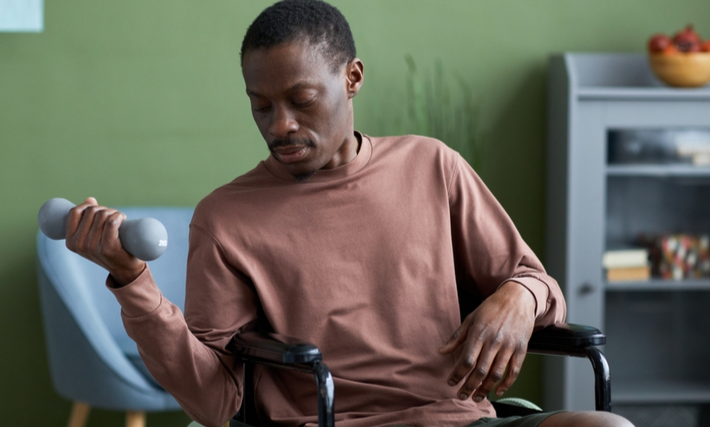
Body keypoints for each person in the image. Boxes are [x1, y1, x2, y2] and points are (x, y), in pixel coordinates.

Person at [64, 1, 633, 426]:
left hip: (460, 421)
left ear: (352, 78)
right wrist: (133, 282)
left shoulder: (433, 166)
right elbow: (217, 398)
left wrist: (519, 296)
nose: (279, 125)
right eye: (260, 106)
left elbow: (538, 284)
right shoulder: (226, 218)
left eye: (300, 101)